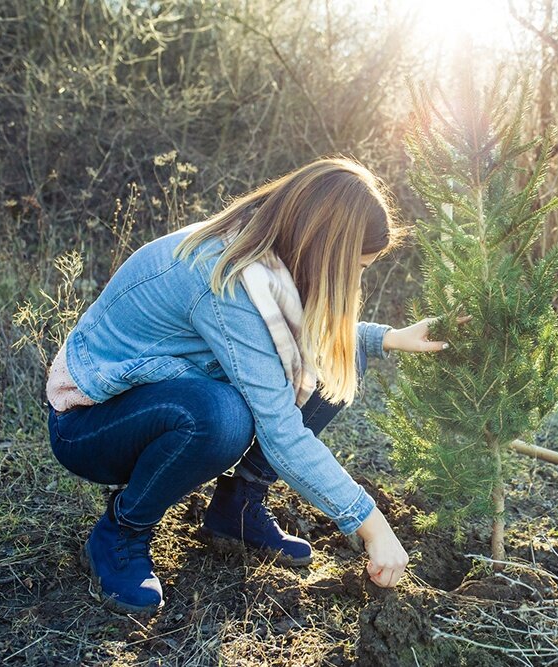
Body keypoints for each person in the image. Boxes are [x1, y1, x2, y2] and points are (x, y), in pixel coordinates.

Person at [46, 157, 448, 615]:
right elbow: (281, 432)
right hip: (89, 424)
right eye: (356, 267)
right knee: (220, 418)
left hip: (156, 397)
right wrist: (372, 525)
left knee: (339, 352)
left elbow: (313, 336)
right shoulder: (228, 278)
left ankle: (237, 510)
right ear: (324, 249)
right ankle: (122, 530)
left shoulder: (268, 253)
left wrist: (388, 338)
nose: (356, 281)